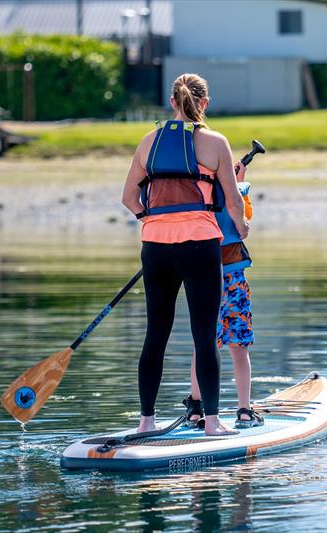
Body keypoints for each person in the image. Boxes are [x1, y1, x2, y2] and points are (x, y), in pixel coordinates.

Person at [121, 73, 248, 437]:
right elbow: (234, 200)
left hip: (155, 248)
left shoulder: (149, 142)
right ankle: (211, 423)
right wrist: (242, 227)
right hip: (200, 245)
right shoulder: (215, 142)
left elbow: (129, 198)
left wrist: (153, 220)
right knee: (204, 336)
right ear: (204, 104)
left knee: (155, 335)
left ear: (172, 103)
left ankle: (146, 422)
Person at [185, 162, 264, 429]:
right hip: (234, 280)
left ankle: (196, 409)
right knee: (239, 348)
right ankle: (244, 410)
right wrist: (241, 182)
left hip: (203, 279)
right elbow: (245, 224)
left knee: (202, 346)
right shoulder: (237, 192)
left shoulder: (196, 196)